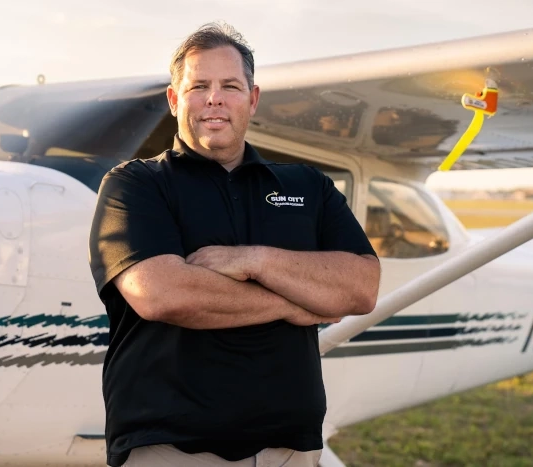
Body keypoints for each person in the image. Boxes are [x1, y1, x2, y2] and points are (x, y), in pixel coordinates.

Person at [88, 22, 380, 467]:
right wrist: (295, 303)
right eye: (198, 85)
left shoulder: (307, 185)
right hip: (170, 448)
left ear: (253, 98)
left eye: (230, 85)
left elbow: (361, 288)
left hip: (290, 448)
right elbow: (163, 293)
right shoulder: (135, 184)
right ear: (174, 99)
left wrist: (255, 259)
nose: (214, 98)